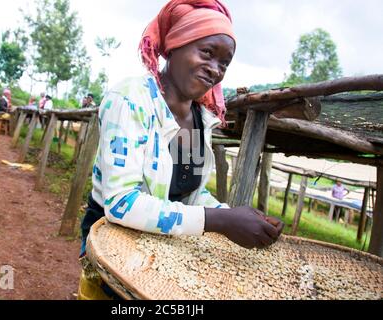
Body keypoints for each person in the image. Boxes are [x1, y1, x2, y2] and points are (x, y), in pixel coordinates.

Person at [77, 0, 284, 300]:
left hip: (162, 240)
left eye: (224, 63)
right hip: (112, 235)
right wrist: (222, 222)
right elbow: (122, 203)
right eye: (207, 53)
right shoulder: (131, 99)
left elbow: (189, 195)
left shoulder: (201, 118)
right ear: (175, 44)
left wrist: (238, 216)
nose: (215, 69)